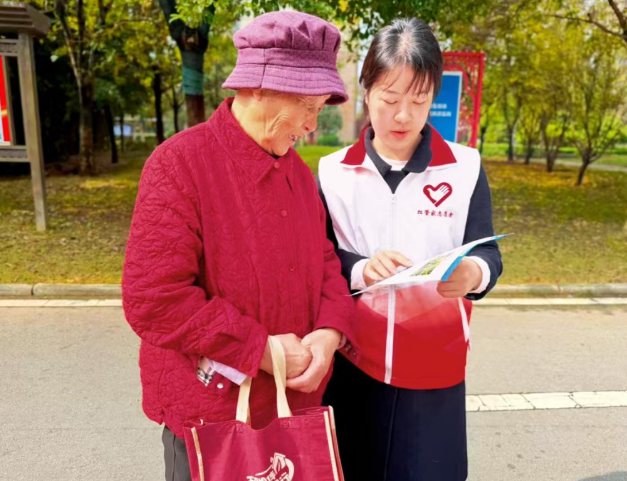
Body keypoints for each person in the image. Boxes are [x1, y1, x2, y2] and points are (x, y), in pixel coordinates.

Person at [121, 11, 357, 481]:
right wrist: (260, 349)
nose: (312, 124)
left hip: (293, 409)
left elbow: (325, 260)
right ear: (257, 87)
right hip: (212, 419)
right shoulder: (179, 164)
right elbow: (154, 299)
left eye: (320, 107)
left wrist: (331, 333)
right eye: (305, 104)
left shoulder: (298, 174)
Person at [319, 18, 503, 481]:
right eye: (390, 99)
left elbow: (489, 254)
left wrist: (474, 273)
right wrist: (362, 268)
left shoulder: (464, 168)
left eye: (419, 100)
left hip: (435, 361)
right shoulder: (332, 172)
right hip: (354, 359)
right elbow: (321, 258)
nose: (403, 115)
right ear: (366, 93)